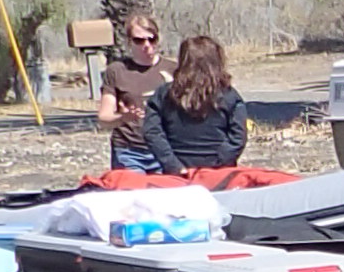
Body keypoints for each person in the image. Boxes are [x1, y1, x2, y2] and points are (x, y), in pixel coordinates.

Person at [146, 31, 249, 172]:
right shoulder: (230, 96)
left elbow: (152, 132)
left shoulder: (163, 95)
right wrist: (218, 163)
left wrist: (173, 165)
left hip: (180, 175)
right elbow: (238, 138)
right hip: (217, 174)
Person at [99, 11, 169, 170]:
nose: (147, 45)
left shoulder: (172, 70)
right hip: (129, 151)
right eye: (139, 40)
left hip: (164, 150)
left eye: (152, 39)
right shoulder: (117, 71)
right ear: (129, 42)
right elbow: (104, 118)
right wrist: (123, 117)